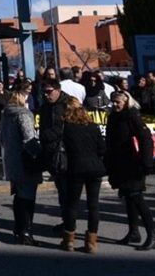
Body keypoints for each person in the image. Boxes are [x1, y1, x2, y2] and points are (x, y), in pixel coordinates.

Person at [105, 90, 155, 251]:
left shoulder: (132, 116)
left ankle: (153, 236)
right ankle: (133, 232)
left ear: (126, 102)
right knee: (128, 198)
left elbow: (145, 139)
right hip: (120, 164)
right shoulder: (113, 117)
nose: (115, 105)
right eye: (113, 102)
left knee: (137, 198)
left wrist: (147, 163)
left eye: (118, 102)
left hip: (134, 164)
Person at [59, 97, 107, 253]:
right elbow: (102, 149)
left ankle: (69, 239)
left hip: (76, 168)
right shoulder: (93, 127)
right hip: (95, 167)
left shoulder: (67, 128)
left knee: (72, 204)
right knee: (93, 205)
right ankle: (92, 241)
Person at [0, 79, 41, 245]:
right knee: (28, 198)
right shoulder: (24, 114)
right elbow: (29, 139)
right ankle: (26, 232)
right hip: (26, 161)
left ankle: (19, 230)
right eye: (27, 93)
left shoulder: (6, 114)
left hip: (11, 159)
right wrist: (39, 154)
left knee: (19, 196)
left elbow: (2, 138)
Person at [38, 78, 70, 229]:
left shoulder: (66, 104)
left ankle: (69, 224)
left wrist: (45, 136)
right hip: (51, 152)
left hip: (64, 152)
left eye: (49, 91)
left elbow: (61, 128)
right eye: (44, 92)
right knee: (62, 190)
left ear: (57, 90)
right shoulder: (46, 106)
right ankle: (66, 221)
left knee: (66, 191)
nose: (46, 95)